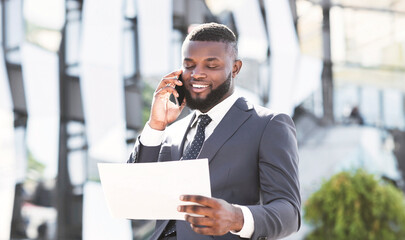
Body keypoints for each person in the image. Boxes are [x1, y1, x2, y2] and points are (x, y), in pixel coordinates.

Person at [128, 23, 300, 240]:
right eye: (189, 65)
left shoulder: (268, 125)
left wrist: (237, 217)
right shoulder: (172, 131)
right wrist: (155, 125)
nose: (197, 74)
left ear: (235, 68)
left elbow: (289, 212)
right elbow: (135, 194)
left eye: (211, 65)